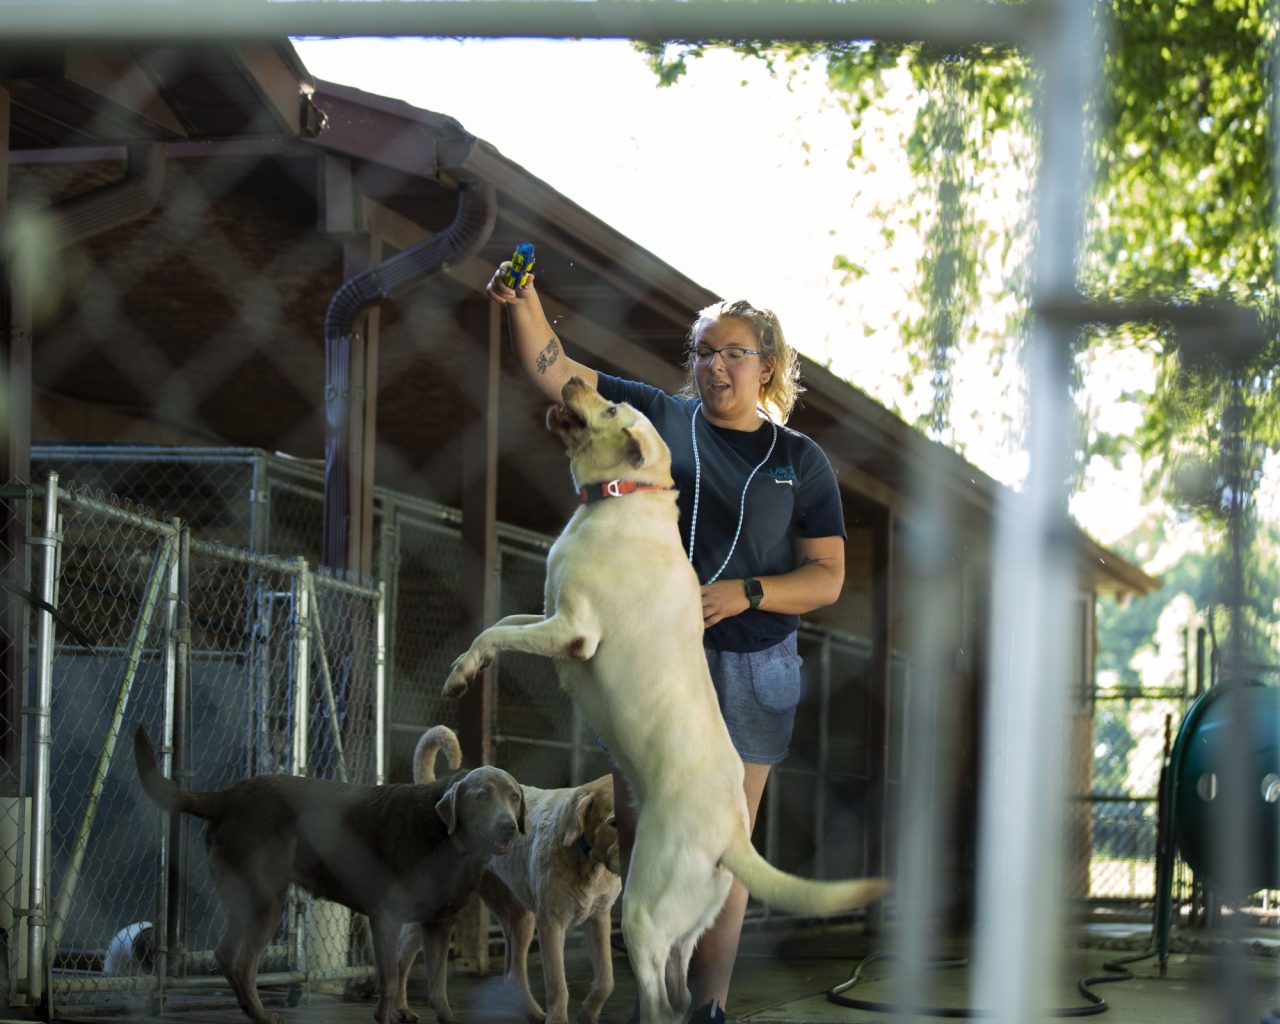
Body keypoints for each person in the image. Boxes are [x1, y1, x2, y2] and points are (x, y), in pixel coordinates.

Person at [486, 261, 846, 1024]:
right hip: (659, 656)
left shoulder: (799, 462)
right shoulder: (660, 420)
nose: (717, 366)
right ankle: (661, 991)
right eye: (706, 352)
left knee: (723, 842)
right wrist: (526, 304)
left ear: (768, 366)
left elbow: (826, 578)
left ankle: (705, 1008)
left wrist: (745, 592)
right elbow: (562, 375)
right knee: (639, 831)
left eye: (735, 353)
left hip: (752, 662)